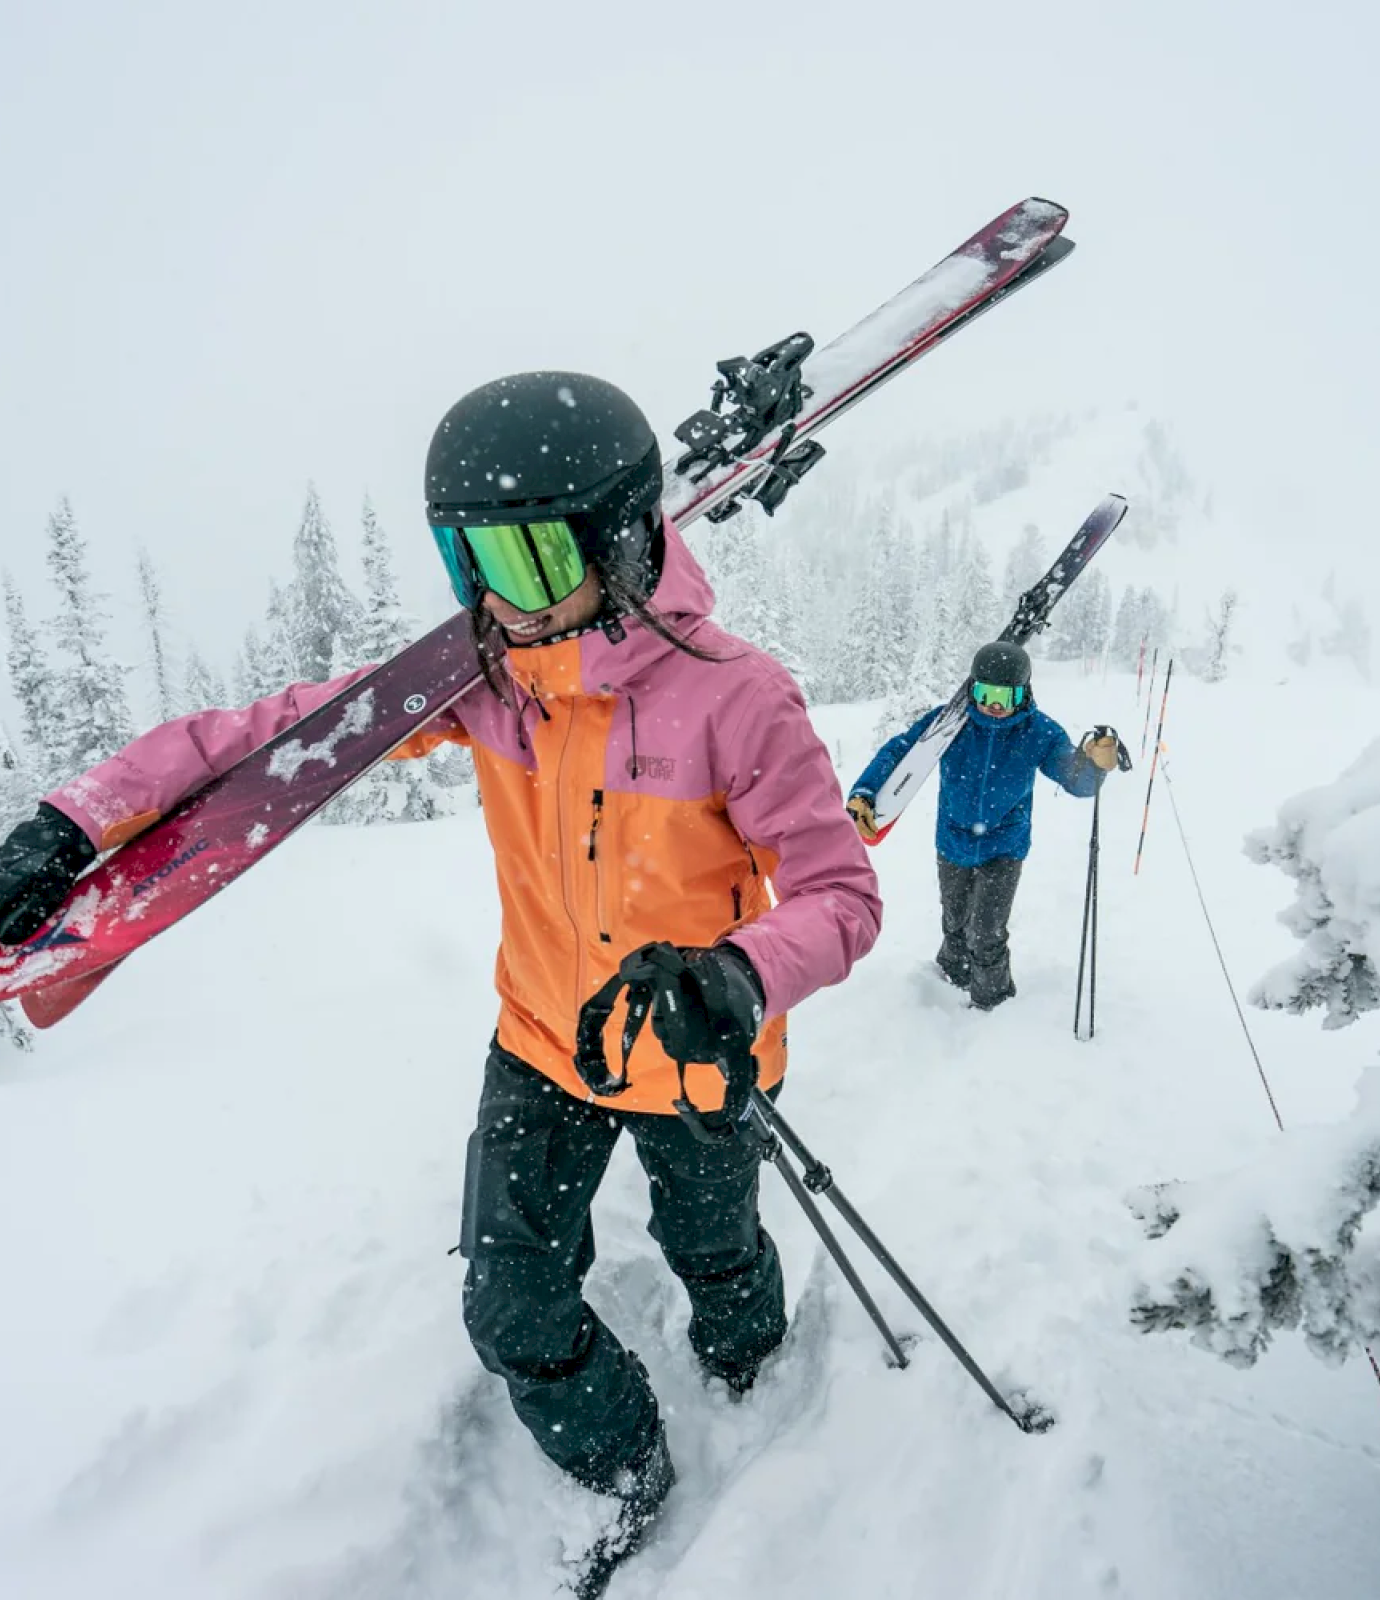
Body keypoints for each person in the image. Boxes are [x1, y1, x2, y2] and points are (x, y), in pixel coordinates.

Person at [0, 372, 881, 1560]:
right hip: (543, 1042)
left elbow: (840, 892)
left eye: (522, 567)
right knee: (510, 1305)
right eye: (469, 568)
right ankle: (625, 1466)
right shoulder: (482, 689)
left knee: (713, 1249)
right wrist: (76, 820)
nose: (496, 608)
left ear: (619, 541)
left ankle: (749, 1360)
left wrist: (739, 971)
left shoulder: (739, 698)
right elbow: (268, 739)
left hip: (692, 1052)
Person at [845, 639, 1114, 1010]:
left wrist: (1094, 765)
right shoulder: (949, 723)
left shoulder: (1039, 732)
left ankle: (992, 1004)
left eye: (1005, 697)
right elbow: (900, 750)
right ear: (973, 688)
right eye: (986, 693)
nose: (993, 705)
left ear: (1023, 692)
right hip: (953, 841)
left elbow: (1074, 776)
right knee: (954, 923)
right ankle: (950, 979)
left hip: (1004, 846)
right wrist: (866, 791)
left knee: (987, 933)